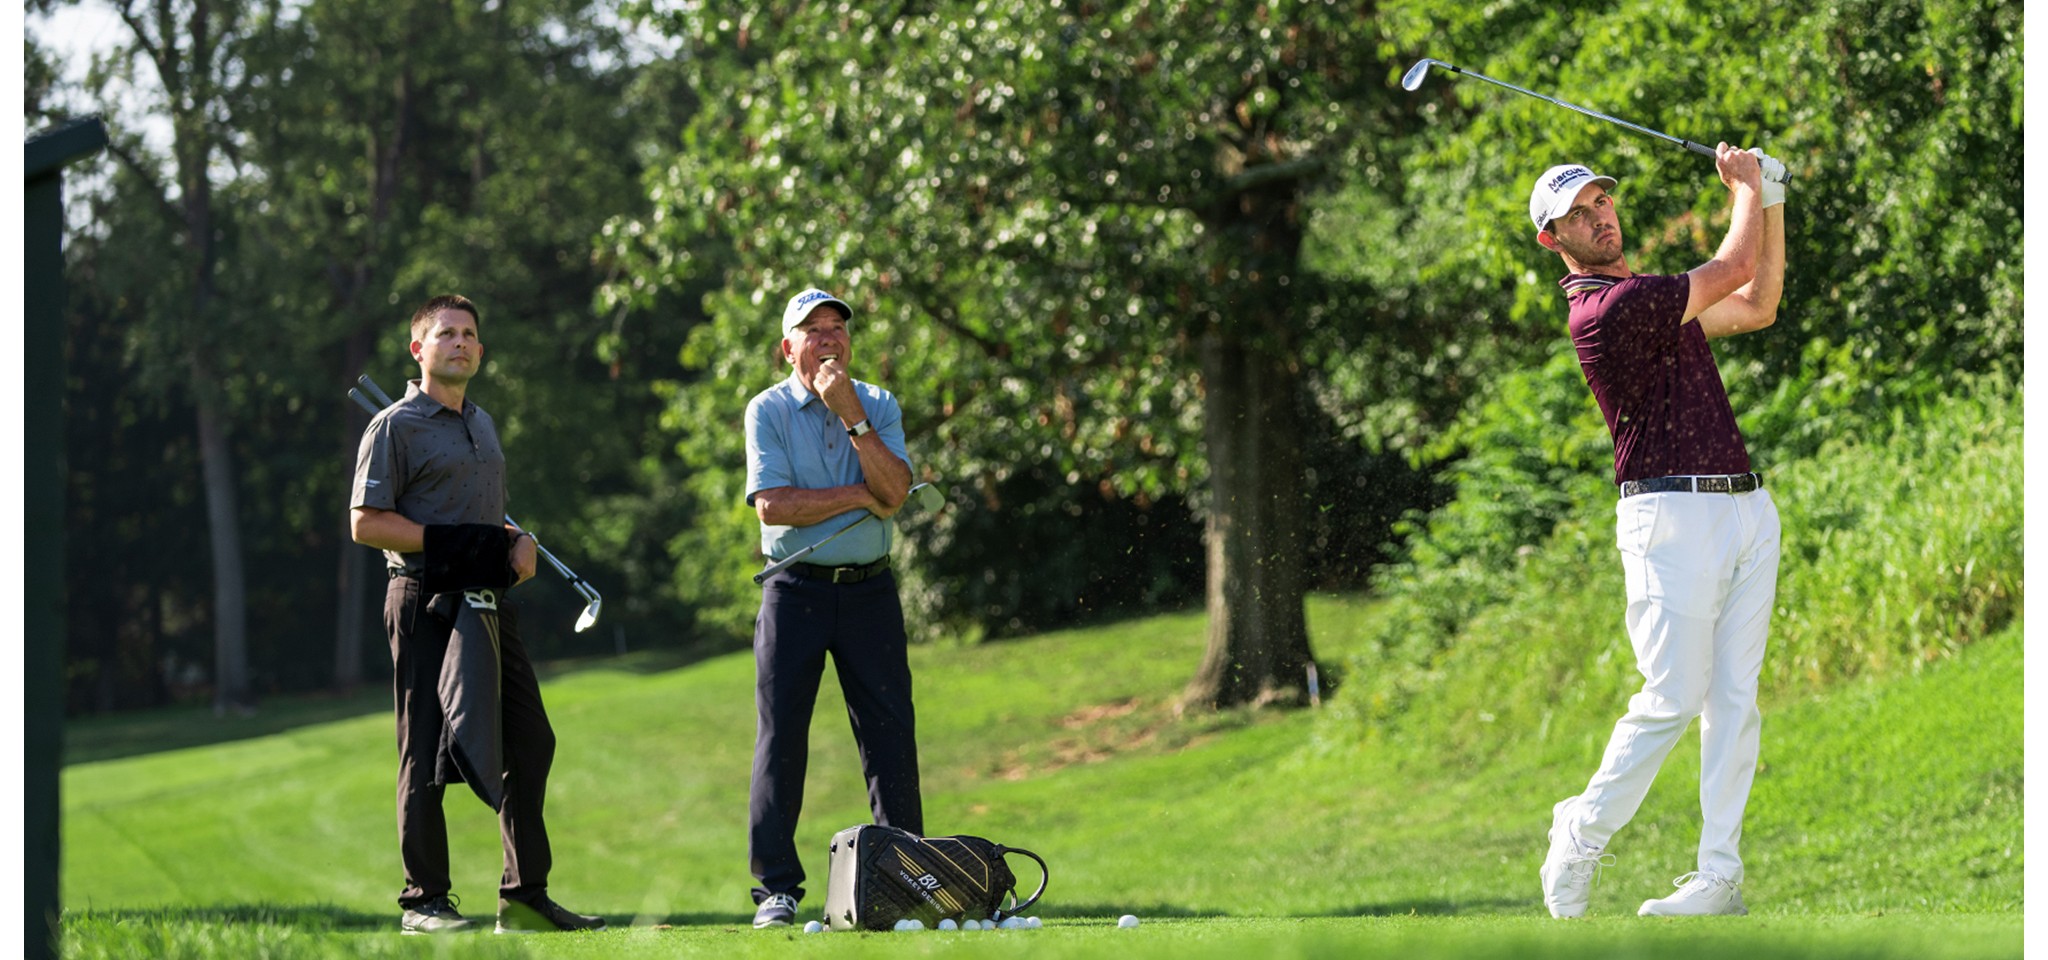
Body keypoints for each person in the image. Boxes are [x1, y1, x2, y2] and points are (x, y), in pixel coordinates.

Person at [1528, 145, 1788, 918]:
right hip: (1668, 517)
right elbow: (1734, 266)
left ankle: (1718, 877)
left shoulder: (1652, 296)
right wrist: (1745, 185)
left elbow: (1760, 301)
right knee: (1673, 695)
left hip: (1744, 507)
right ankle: (1580, 833)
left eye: (1599, 201)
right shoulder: (1606, 311)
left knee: (1735, 702)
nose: (1597, 216)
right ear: (1553, 240)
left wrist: (1769, 198)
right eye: (1577, 214)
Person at [350, 295, 605, 935]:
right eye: (445, 334)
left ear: (481, 351)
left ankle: (524, 899)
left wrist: (516, 539)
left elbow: (488, 513)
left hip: (489, 602)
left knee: (530, 741)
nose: (459, 343)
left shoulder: (482, 423)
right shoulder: (393, 426)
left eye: (468, 335)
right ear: (419, 349)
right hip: (423, 598)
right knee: (424, 749)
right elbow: (366, 523)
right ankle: (424, 903)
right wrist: (459, 543)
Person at [742, 287, 922, 928]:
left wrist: (853, 417)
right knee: (782, 734)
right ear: (787, 347)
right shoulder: (765, 410)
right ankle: (777, 891)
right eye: (812, 329)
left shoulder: (876, 403)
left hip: (870, 589)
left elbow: (896, 492)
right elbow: (774, 507)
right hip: (795, 592)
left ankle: (908, 878)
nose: (828, 338)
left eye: (837, 327)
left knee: (890, 734)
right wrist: (859, 494)